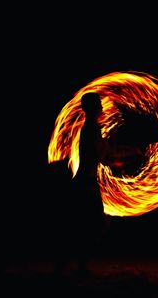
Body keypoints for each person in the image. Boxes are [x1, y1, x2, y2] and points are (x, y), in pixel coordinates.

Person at [52, 92, 108, 278]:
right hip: (86, 183)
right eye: (98, 103)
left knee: (82, 224)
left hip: (86, 181)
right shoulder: (92, 128)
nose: (101, 106)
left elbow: (98, 155)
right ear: (92, 107)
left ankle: (73, 265)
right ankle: (72, 266)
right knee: (89, 224)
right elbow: (97, 155)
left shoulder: (91, 127)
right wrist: (109, 151)